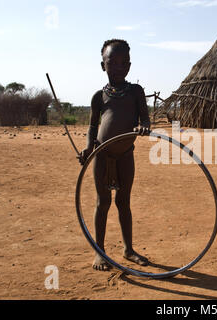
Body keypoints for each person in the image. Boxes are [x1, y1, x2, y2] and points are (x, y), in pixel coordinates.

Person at [80, 39, 150, 271]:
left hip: (125, 154)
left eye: (124, 63)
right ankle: (99, 253)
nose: (119, 67)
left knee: (123, 202)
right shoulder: (98, 97)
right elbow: (92, 127)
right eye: (113, 62)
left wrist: (143, 128)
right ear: (103, 65)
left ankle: (128, 250)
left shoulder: (136, 92)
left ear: (130, 66)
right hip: (102, 155)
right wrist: (89, 148)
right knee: (103, 202)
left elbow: (145, 119)